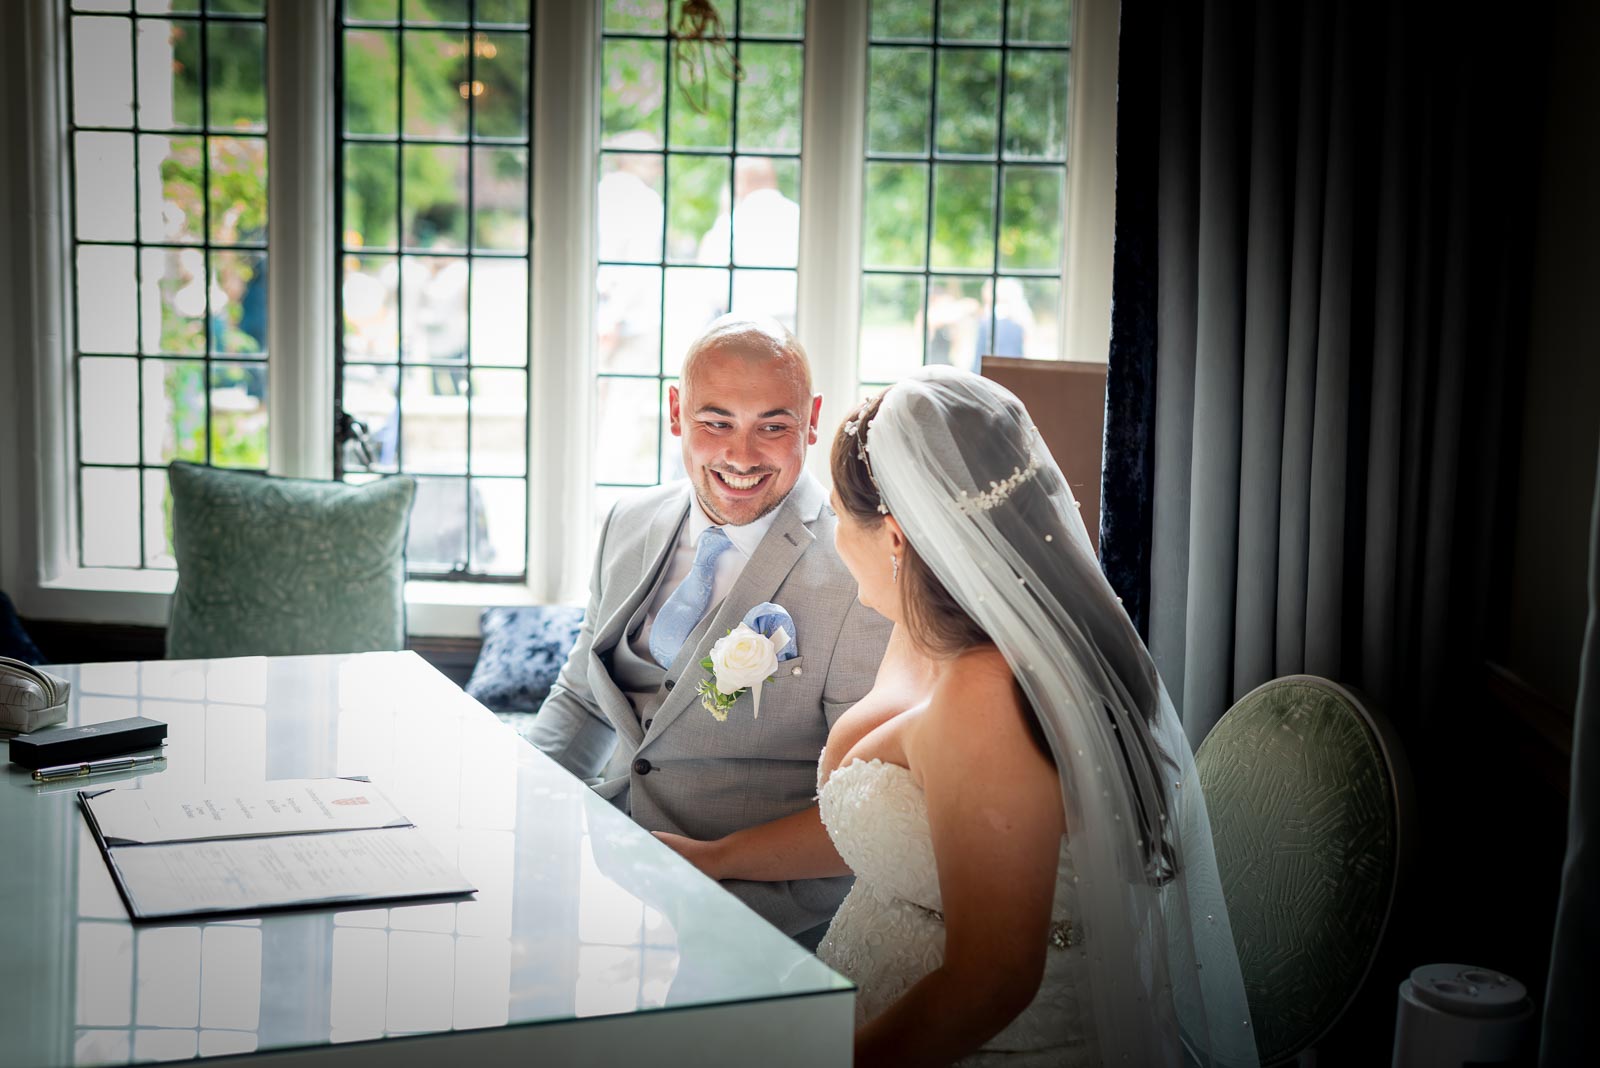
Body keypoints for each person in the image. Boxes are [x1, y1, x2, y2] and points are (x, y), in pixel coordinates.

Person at [658, 366, 1258, 1066]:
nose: (830, 538)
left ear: (895, 538)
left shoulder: (988, 693)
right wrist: (718, 858)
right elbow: (909, 818)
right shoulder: (922, 631)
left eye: (841, 521)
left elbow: (994, 979)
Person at [528, 315, 892, 947]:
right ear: (676, 412)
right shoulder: (627, 520)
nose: (741, 456)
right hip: (602, 878)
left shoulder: (858, 568)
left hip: (771, 922)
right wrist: (517, 808)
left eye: (773, 426)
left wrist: (716, 862)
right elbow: (585, 697)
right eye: (715, 421)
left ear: (811, 419)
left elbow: (865, 805)